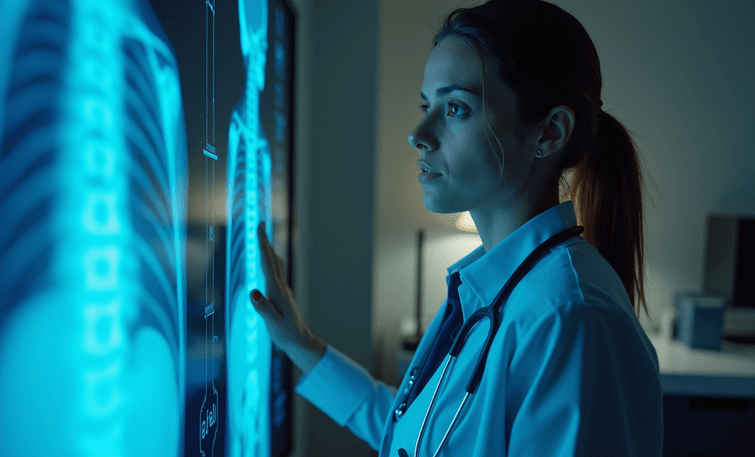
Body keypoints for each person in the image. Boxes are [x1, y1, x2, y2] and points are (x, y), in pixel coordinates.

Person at [249, 0, 663, 455]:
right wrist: (301, 345)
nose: (418, 134)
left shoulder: (567, 318)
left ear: (549, 132)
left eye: (456, 108)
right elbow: (418, 437)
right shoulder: (488, 290)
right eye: (427, 105)